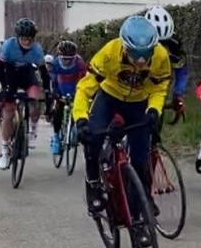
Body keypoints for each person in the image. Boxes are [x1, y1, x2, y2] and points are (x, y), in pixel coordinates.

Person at [73, 15, 171, 218]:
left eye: (147, 55)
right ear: (125, 48)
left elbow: (159, 87)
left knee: (140, 156)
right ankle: (93, 183)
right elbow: (85, 89)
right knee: (94, 138)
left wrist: (154, 110)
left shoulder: (161, 56)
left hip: (138, 103)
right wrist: (81, 119)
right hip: (109, 99)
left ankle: (137, 212)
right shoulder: (109, 53)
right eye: (136, 55)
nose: (142, 62)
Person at [0, 17, 46, 170]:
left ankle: (33, 127)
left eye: (29, 39)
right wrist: (0, 89)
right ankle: (4, 150)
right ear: (17, 37)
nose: (26, 42)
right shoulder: (8, 46)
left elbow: (43, 71)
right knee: (8, 112)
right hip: (9, 73)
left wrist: (47, 89)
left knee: (36, 96)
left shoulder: (37, 50)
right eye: (23, 39)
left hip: (26, 72)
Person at [44, 40, 87, 154]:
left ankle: (74, 129)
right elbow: (52, 81)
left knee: (78, 109)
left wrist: (81, 92)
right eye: (65, 58)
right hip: (60, 87)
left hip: (75, 88)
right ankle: (56, 136)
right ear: (59, 56)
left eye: (70, 58)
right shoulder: (56, 64)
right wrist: (55, 93)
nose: (67, 61)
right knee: (58, 109)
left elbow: (85, 80)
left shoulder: (80, 63)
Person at [144, 6, 188, 117]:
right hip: (136, 83)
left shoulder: (175, 43)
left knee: (154, 123)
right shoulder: (138, 37)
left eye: (164, 43)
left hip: (159, 86)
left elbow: (181, 69)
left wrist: (178, 94)